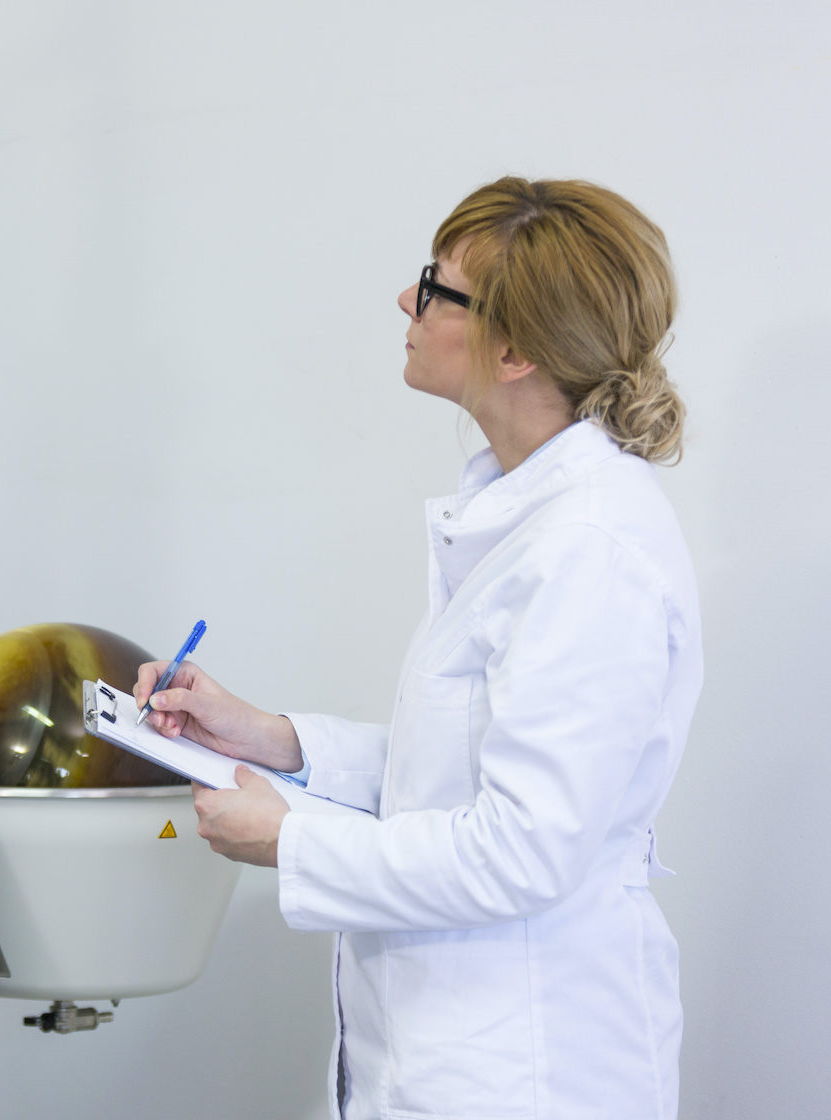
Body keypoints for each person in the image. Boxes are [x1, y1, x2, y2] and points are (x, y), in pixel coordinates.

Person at [135, 177, 702, 1120]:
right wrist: (269, 739)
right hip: (448, 1057)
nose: (409, 303)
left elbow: (523, 850)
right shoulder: (524, 519)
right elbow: (465, 769)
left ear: (514, 348)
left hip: (533, 1069)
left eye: (435, 288)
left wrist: (294, 839)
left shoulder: (590, 550)